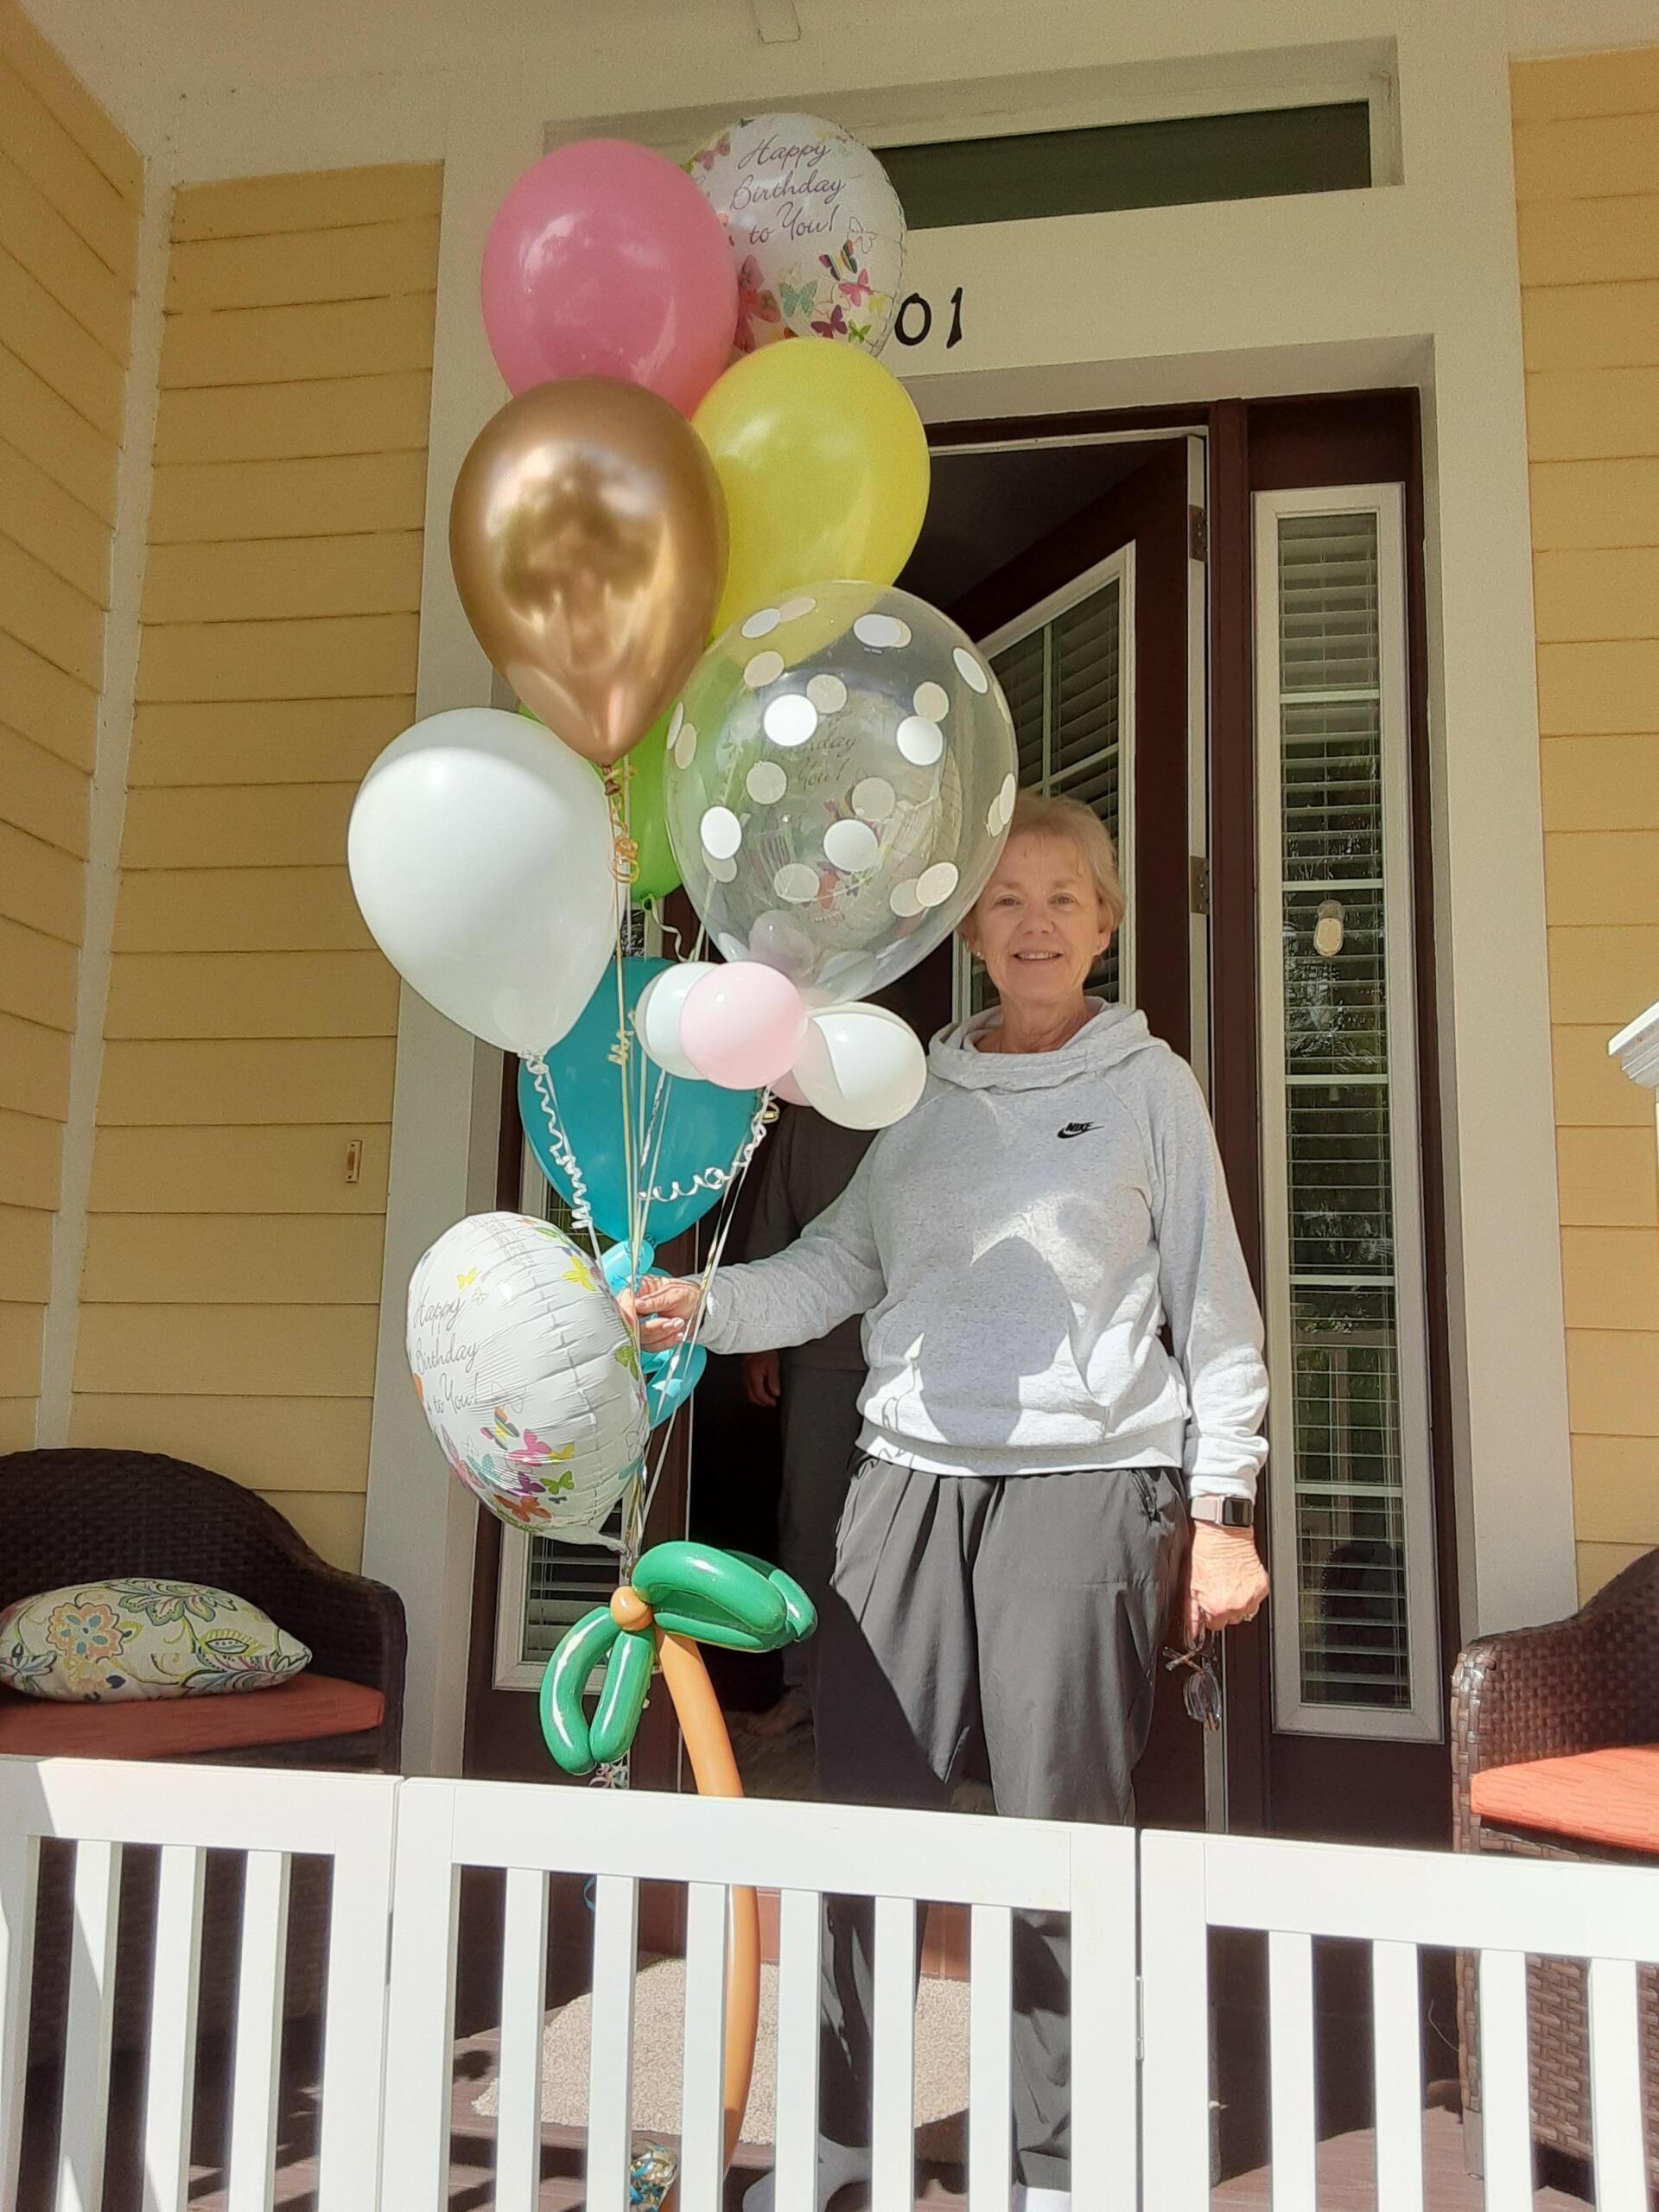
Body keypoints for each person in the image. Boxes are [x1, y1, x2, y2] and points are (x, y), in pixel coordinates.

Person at [626, 792, 1268, 2212]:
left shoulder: (1149, 1086)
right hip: (904, 1486)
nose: (1034, 925)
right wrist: (702, 1303)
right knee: (864, 1830)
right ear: (968, 925)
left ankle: (1059, 2166)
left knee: (1059, 1838)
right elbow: (837, 1267)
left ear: (1104, 922)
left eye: (1063, 899)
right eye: (1006, 900)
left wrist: (1220, 1511)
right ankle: (844, 2153)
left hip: (1085, 1485)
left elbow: (1213, 1311)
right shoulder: (915, 1090)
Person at [738, 1103, 875, 1738]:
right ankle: (804, 1690)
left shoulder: (932, 1098)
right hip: (819, 1356)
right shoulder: (806, 1116)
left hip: (919, 1360)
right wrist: (759, 1343)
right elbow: (774, 1223)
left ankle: (890, 1709)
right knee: (811, 1524)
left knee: (902, 1539)